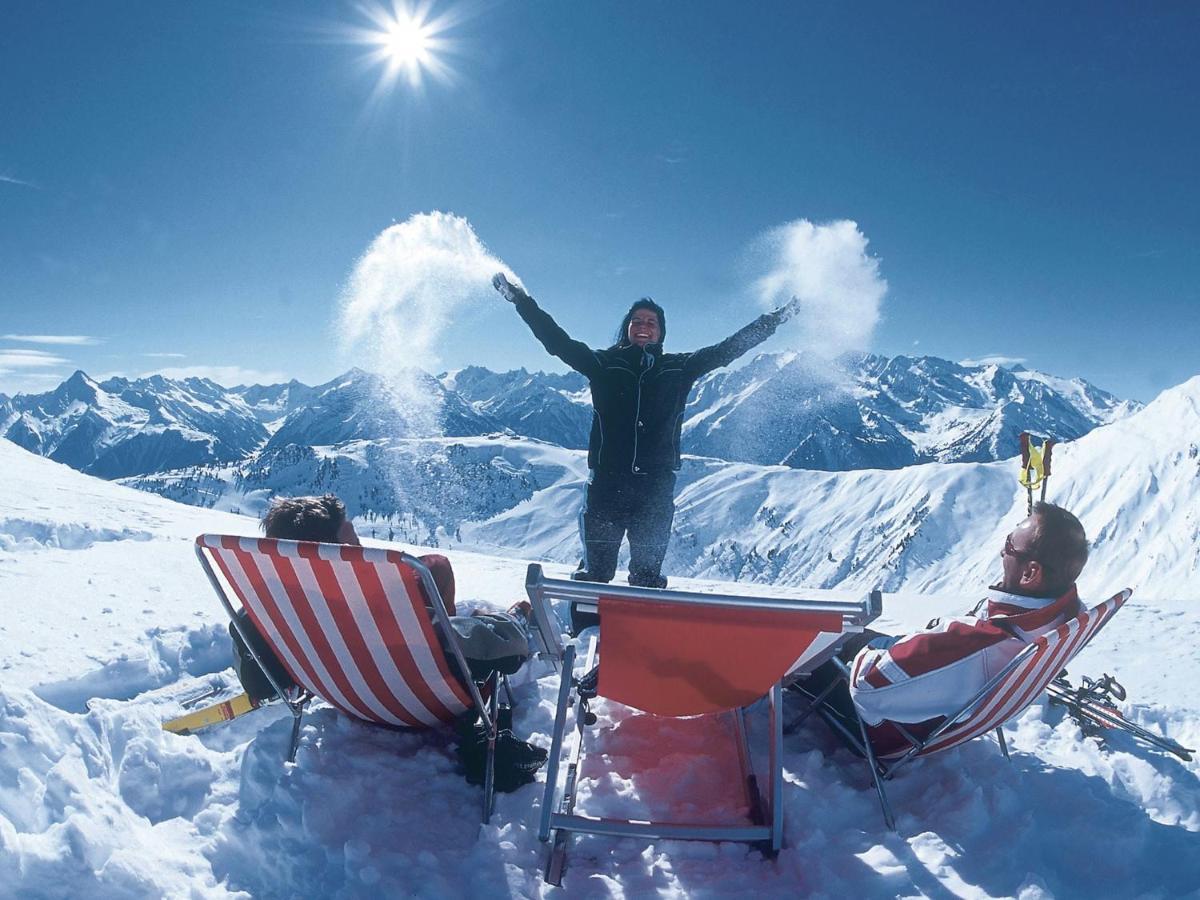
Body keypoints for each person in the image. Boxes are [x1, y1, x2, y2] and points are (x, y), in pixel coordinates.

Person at [493, 272, 801, 590]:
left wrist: (774, 320)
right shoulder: (603, 364)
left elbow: (729, 349)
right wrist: (520, 299)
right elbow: (556, 341)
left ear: (660, 333)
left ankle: (637, 638)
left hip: (654, 492)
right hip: (606, 489)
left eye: (651, 322)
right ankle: (582, 631)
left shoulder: (679, 368)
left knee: (647, 578)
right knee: (595, 575)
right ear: (627, 328)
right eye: (637, 320)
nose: (643, 325)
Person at [230, 494, 545, 789]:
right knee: (481, 619)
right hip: (426, 702)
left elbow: (260, 685)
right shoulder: (389, 614)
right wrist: (510, 621)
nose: (361, 544)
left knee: (433, 566)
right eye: (352, 540)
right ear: (332, 556)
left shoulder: (280, 610)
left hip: (345, 693)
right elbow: (508, 647)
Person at [798, 502, 1090, 757]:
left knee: (810, 643)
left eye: (1011, 544)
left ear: (1030, 573)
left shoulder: (979, 643)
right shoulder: (1057, 618)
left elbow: (868, 686)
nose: (1003, 551)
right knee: (850, 634)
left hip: (884, 732)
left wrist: (869, 650)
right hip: (940, 704)